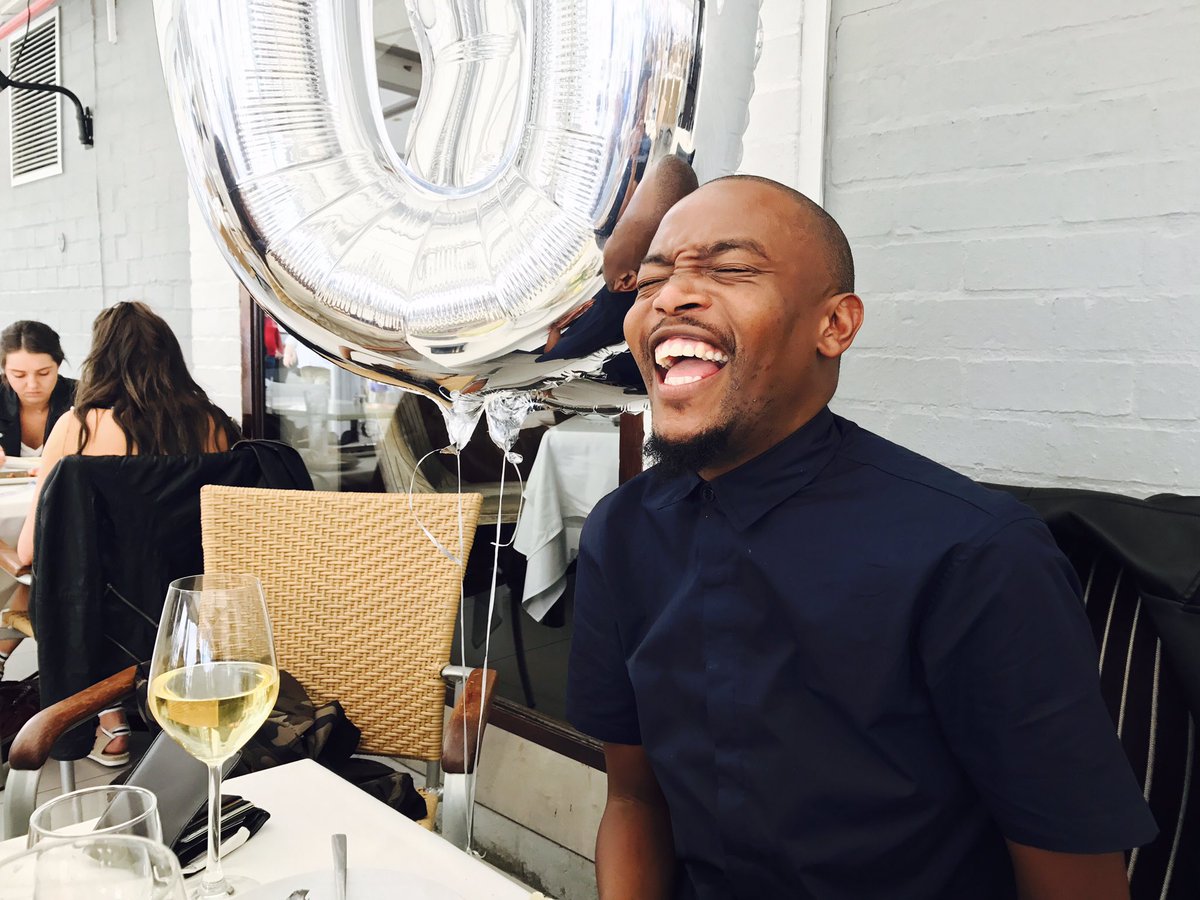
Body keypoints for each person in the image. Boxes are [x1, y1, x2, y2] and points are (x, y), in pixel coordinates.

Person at [566, 176, 1157, 899]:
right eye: (652, 279)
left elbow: (1077, 880)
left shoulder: (975, 555)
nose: (670, 297)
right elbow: (634, 800)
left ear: (836, 326)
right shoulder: (621, 531)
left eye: (732, 269)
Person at [12, 301, 240, 766]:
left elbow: (29, 550)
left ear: (99, 359)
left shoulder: (76, 427)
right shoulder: (215, 424)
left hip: (106, 621)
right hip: (194, 612)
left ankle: (109, 717)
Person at [0, 321, 76, 466]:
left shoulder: (85, 398)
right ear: (5, 370)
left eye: (43, 373)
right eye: (19, 375)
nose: (32, 385)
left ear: (58, 365)